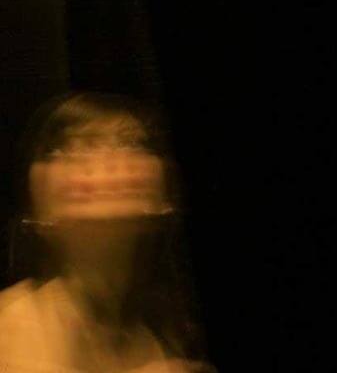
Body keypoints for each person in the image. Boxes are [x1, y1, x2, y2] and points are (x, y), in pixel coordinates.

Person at [0, 92, 211, 373]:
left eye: (131, 143)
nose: (109, 159)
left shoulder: (156, 337)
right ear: (37, 201)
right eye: (69, 147)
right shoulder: (12, 327)